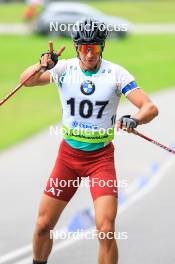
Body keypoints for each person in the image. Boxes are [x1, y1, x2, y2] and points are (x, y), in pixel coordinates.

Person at [20, 18, 158, 264]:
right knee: (43, 225)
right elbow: (26, 81)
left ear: (102, 47)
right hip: (68, 159)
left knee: (105, 229)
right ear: (76, 47)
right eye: (84, 48)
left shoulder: (116, 73)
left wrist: (135, 119)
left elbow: (149, 107)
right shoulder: (64, 69)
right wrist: (42, 66)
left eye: (94, 47)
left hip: (100, 161)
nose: (89, 53)